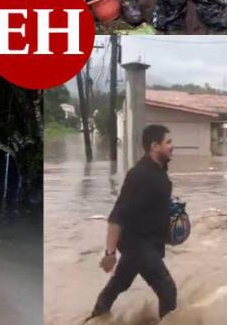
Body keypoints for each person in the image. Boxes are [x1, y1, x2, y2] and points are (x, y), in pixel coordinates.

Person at [91, 125, 176, 321]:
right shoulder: (139, 175)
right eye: (168, 142)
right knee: (167, 289)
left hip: (148, 242)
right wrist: (110, 253)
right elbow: (116, 216)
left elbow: (151, 206)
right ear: (155, 146)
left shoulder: (159, 170)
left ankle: (97, 315)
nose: (172, 146)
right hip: (138, 243)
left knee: (120, 283)